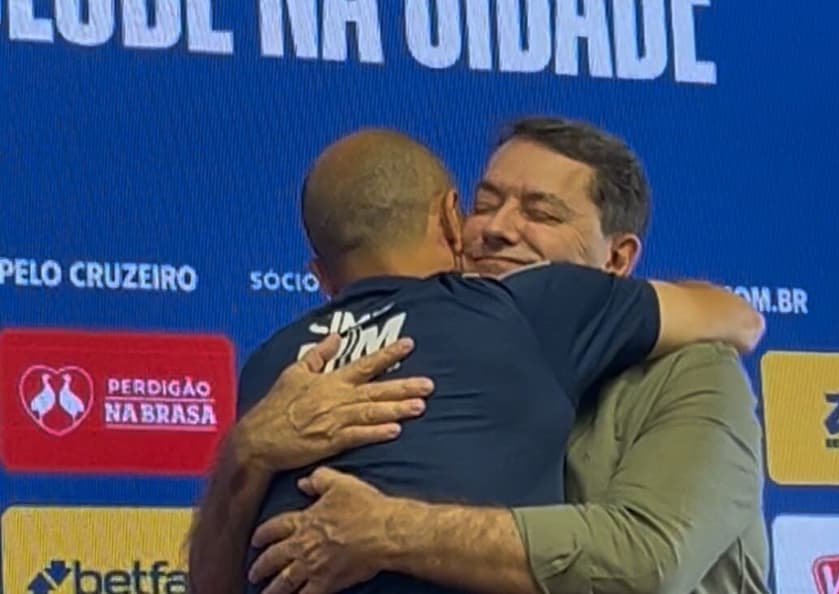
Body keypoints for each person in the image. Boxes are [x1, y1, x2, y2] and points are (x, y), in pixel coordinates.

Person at [190, 118, 771, 594]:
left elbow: (648, 563)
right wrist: (245, 452)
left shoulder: (692, 370)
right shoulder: (326, 377)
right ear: (451, 219)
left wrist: (390, 529)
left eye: (541, 213)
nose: (496, 229)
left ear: (617, 261)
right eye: (484, 204)